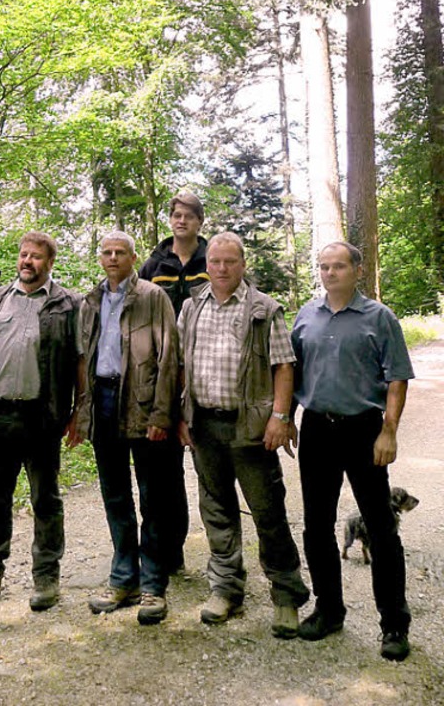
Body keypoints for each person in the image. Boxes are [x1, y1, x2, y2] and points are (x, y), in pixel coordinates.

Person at [178, 231, 309, 637]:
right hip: (204, 425)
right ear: (206, 264)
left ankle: (286, 595)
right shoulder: (190, 307)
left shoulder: (263, 309)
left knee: (268, 513)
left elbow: (284, 365)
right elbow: (181, 365)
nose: (220, 268)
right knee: (216, 511)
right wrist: (180, 413)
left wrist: (280, 416)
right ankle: (226, 589)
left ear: (242, 264)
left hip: (250, 427)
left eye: (229, 261)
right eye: (214, 261)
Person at [291, 240, 414, 662]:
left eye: (338, 266)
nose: (330, 273)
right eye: (324, 266)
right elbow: (292, 371)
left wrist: (389, 431)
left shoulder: (379, 318)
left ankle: (394, 623)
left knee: (381, 527)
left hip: (364, 429)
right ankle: (329, 609)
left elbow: (397, 379)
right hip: (317, 431)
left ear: (356, 271)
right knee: (316, 526)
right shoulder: (306, 315)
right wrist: (284, 417)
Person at [0, 232, 85, 610]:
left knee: (45, 499)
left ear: (49, 263)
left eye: (36, 257)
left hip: (43, 416)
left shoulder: (67, 304)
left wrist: (81, 410)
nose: (27, 262)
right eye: (23, 255)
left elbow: (80, 361)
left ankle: (46, 578)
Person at [78, 231, 178, 626]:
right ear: (100, 258)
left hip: (142, 401)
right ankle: (124, 577)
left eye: (121, 252)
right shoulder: (91, 300)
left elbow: (170, 357)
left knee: (154, 496)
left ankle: (154, 583)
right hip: (103, 401)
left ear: (134, 257)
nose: (113, 257)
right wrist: (81, 411)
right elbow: (82, 358)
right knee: (115, 495)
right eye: (107, 251)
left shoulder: (153, 297)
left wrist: (161, 414)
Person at [138, 190, 208, 574]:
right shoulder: (154, 264)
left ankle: (223, 557)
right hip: (163, 376)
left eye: (189, 216)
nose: (181, 221)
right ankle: (170, 551)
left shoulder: (211, 259)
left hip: (204, 373)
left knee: (210, 468)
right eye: (176, 215)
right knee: (164, 474)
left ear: (199, 221)